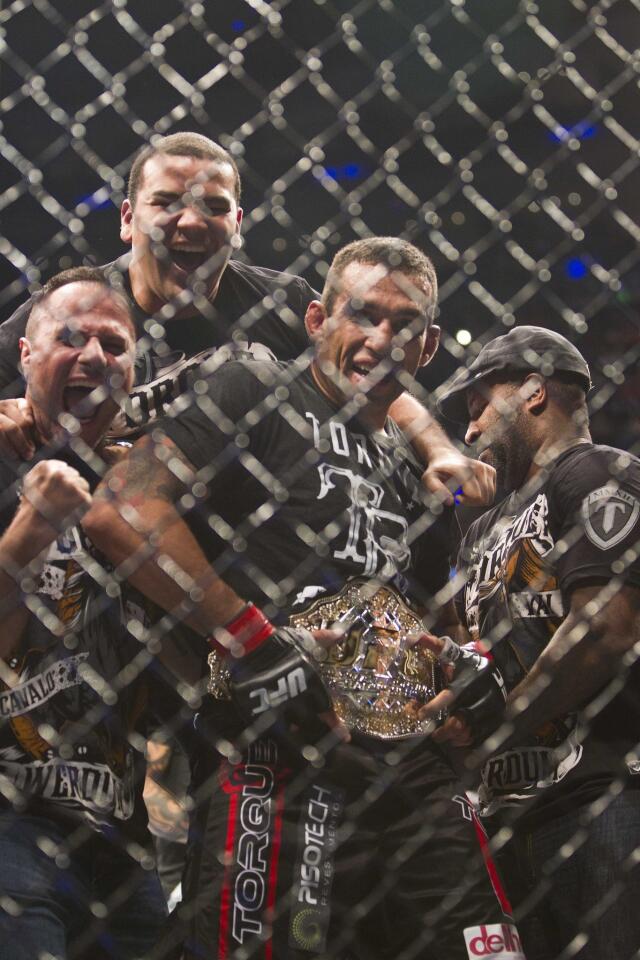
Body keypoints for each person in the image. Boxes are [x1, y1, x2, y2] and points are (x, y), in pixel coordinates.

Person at [83, 238, 523, 960]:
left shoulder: (413, 469)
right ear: (318, 318)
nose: (382, 340)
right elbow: (121, 510)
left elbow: (435, 615)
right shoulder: (254, 385)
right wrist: (248, 635)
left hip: (408, 760)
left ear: (429, 346)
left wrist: (471, 663)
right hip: (279, 741)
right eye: (363, 315)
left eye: (405, 326)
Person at [0, 131, 495, 508]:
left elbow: (370, 372)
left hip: (229, 541)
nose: (191, 222)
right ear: (129, 219)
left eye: (213, 207)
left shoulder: (281, 302)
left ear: (237, 226)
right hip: (89, 525)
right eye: (167, 203)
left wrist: (438, 449)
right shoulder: (72, 306)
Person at [428, 326, 640, 960]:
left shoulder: (600, 471)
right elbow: (467, 652)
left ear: (533, 392)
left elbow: (608, 627)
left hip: (601, 797)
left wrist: (501, 718)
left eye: (478, 409)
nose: (469, 434)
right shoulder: (481, 529)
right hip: (505, 819)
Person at [0, 267, 169, 958]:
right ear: (25, 356)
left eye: (114, 344)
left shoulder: (156, 484)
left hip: (121, 835)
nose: (95, 358)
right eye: (70, 338)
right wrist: (28, 531)